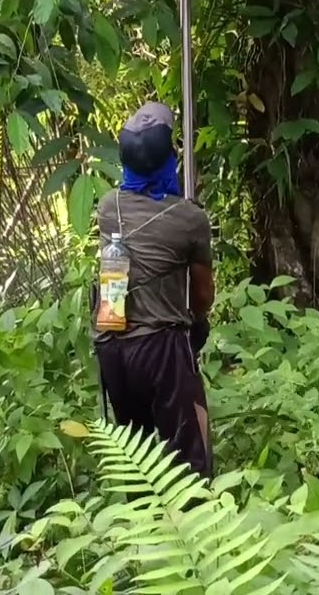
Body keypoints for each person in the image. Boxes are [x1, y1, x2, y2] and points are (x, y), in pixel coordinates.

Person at [93, 101, 215, 479]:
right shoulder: (190, 219)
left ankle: (141, 516)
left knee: (137, 459)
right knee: (189, 461)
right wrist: (197, 323)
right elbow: (202, 295)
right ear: (168, 160)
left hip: (112, 346)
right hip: (160, 350)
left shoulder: (108, 207)